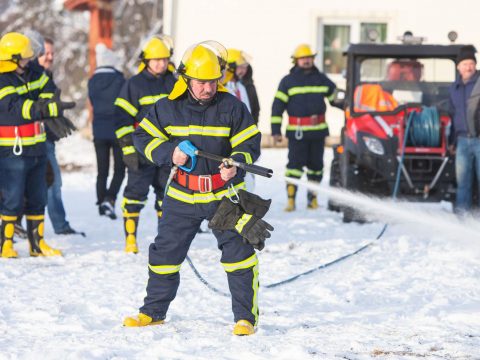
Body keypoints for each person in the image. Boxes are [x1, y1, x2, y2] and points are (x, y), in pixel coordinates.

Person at [123, 41, 271, 336]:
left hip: (223, 194)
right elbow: (141, 137)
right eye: (201, 82)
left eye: (213, 81)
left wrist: (237, 162)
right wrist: (170, 153)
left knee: (238, 254)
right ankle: (153, 312)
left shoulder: (232, 106)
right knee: (164, 255)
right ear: (186, 80)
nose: (208, 88)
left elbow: (249, 142)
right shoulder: (166, 107)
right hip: (181, 195)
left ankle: (245, 318)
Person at [0, 32, 75, 257]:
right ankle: (6, 244)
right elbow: (15, 109)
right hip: (12, 150)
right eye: (25, 56)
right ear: (13, 58)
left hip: (37, 146)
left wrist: (48, 104)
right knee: (12, 198)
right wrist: (44, 109)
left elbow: (50, 90)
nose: (30, 59)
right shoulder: (2, 78)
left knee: (38, 196)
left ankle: (37, 244)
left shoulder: (34, 72)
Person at [114, 35, 176, 253]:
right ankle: (130, 240)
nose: (160, 63)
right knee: (134, 195)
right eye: (156, 59)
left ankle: (165, 240)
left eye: (164, 59)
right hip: (141, 151)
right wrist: (128, 149)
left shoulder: (175, 82)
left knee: (167, 196)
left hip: (168, 151)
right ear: (146, 60)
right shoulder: (134, 84)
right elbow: (121, 119)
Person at [271, 44, 336, 211]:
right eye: (303, 58)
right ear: (296, 60)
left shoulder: (321, 79)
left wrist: (351, 104)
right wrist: (276, 131)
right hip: (297, 134)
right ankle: (291, 200)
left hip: (318, 132)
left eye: (309, 58)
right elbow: (277, 107)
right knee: (294, 167)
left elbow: (336, 98)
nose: (306, 61)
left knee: (316, 168)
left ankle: (312, 200)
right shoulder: (288, 81)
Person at [36, 36, 82, 236]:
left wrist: (56, 120)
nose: (49, 57)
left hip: (46, 139)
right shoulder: (33, 77)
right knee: (49, 183)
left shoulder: (47, 76)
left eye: (52, 53)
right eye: (45, 53)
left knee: (51, 182)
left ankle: (59, 225)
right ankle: (58, 226)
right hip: (31, 141)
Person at [88, 43, 126, 219]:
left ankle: (100, 201)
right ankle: (109, 199)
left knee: (102, 170)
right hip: (118, 130)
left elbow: (93, 103)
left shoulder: (92, 81)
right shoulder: (119, 80)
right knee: (120, 169)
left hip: (99, 131)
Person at [448, 45, 480, 214]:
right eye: (465, 64)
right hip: (461, 142)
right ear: (458, 67)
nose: (469, 67)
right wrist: (452, 141)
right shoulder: (454, 88)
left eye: (471, 63)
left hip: (479, 140)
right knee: (463, 183)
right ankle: (463, 218)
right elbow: (453, 116)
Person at [234, 51, 260, 124]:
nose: (243, 71)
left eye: (245, 67)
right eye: (240, 67)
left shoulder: (249, 86)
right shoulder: (221, 86)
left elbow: (255, 109)